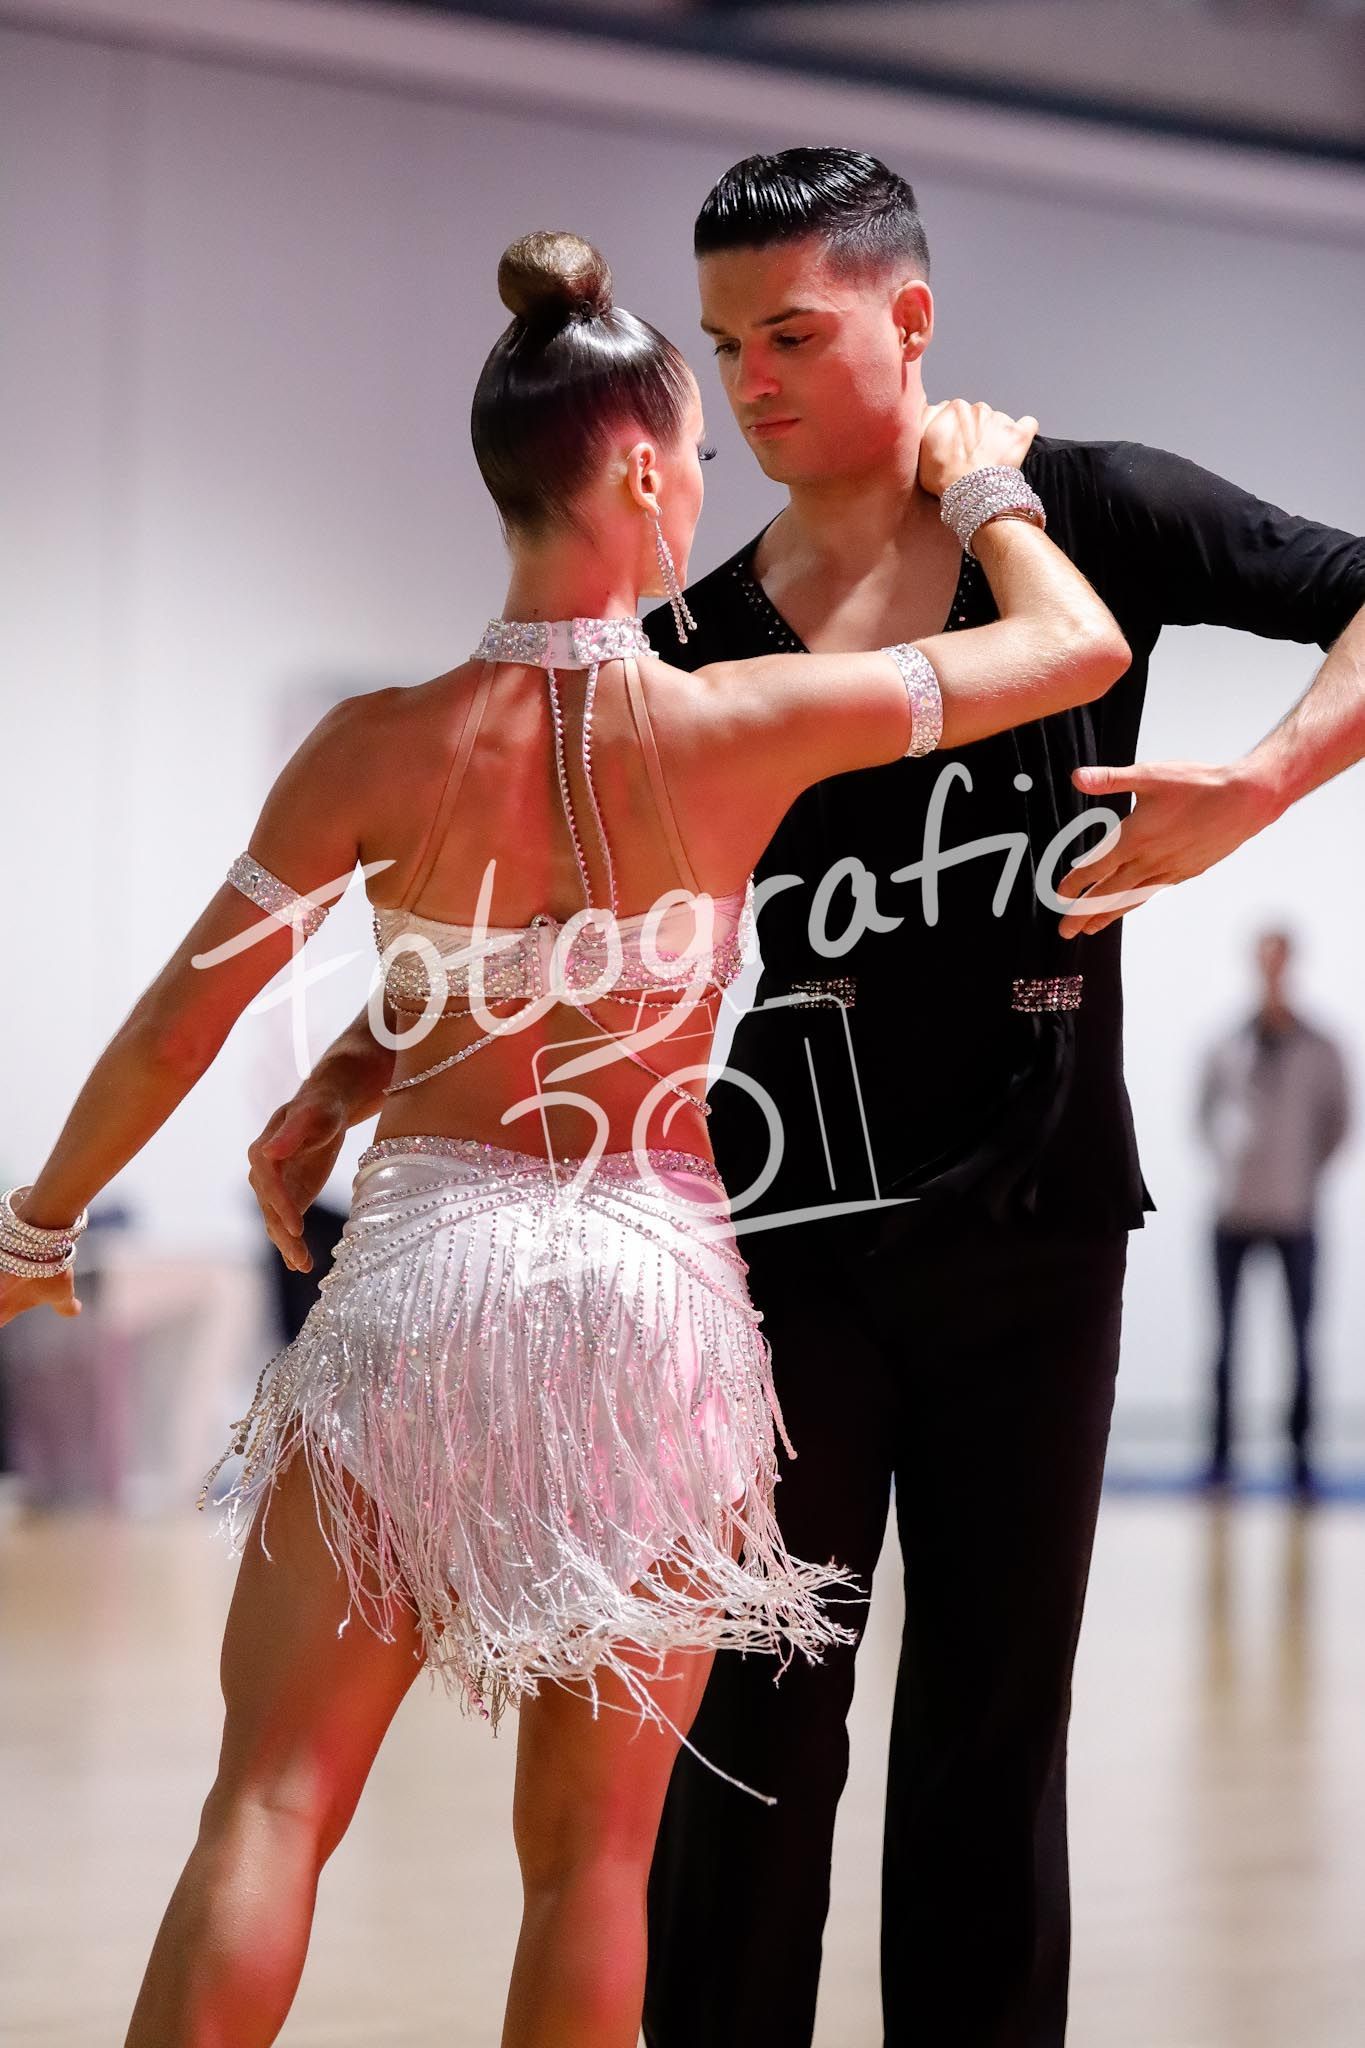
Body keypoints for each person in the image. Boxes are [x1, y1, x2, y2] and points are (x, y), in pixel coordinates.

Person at [255, 157, 1365, 2045]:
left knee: (992, 1745)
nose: (749, 383)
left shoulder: (1088, 514)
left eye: (792, 334)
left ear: (909, 321)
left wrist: (1253, 788)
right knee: (750, 1739)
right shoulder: (694, 640)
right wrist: (361, 1061)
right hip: (770, 1257)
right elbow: (542, 907)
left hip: (1036, 1236)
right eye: (723, 346)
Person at [0, 230, 1131, 2048]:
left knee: (269, 1805)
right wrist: (985, 485)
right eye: (697, 449)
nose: (710, 480)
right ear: (639, 477)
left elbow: (175, 1020)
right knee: (593, 1868)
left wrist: (40, 1227)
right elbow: (1077, 647)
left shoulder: (375, 746)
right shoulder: (745, 719)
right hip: (654, 1303)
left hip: (421, 1282)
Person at [1197, 927, 1352, 1497]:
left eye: (1279, 959)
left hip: (1295, 1214)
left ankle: (1300, 1461)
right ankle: (1220, 1460)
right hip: (1233, 1211)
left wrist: (1303, 1175)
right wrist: (1232, 1166)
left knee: (1301, 1342)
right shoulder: (1225, 1044)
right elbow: (1203, 1116)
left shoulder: (1323, 1047)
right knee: (1224, 1342)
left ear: (1291, 963)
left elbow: (1339, 1123)